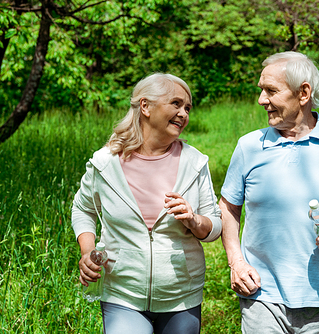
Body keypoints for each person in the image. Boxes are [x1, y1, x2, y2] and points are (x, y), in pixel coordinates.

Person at [220, 51, 319, 333]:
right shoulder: (248, 146)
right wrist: (236, 261)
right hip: (262, 296)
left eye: (271, 91)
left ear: (303, 93)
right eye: (261, 90)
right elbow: (228, 207)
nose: (262, 100)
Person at [71, 73, 222, 334]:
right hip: (122, 293)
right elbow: (83, 209)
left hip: (181, 295)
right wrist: (87, 251)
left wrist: (195, 221)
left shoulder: (195, 163)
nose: (183, 113)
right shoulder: (106, 163)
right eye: (176, 104)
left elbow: (216, 225)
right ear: (145, 106)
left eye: (187, 108)